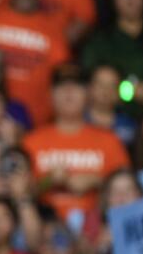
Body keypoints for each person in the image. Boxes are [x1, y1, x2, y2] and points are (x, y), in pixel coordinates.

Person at [22, 64, 130, 221]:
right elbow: (19, 195)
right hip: (45, 226)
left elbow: (129, 193)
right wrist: (48, 181)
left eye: (76, 86)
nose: (69, 92)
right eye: (61, 86)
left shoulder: (110, 141)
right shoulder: (30, 142)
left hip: (99, 227)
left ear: (87, 94)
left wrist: (96, 181)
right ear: (50, 95)